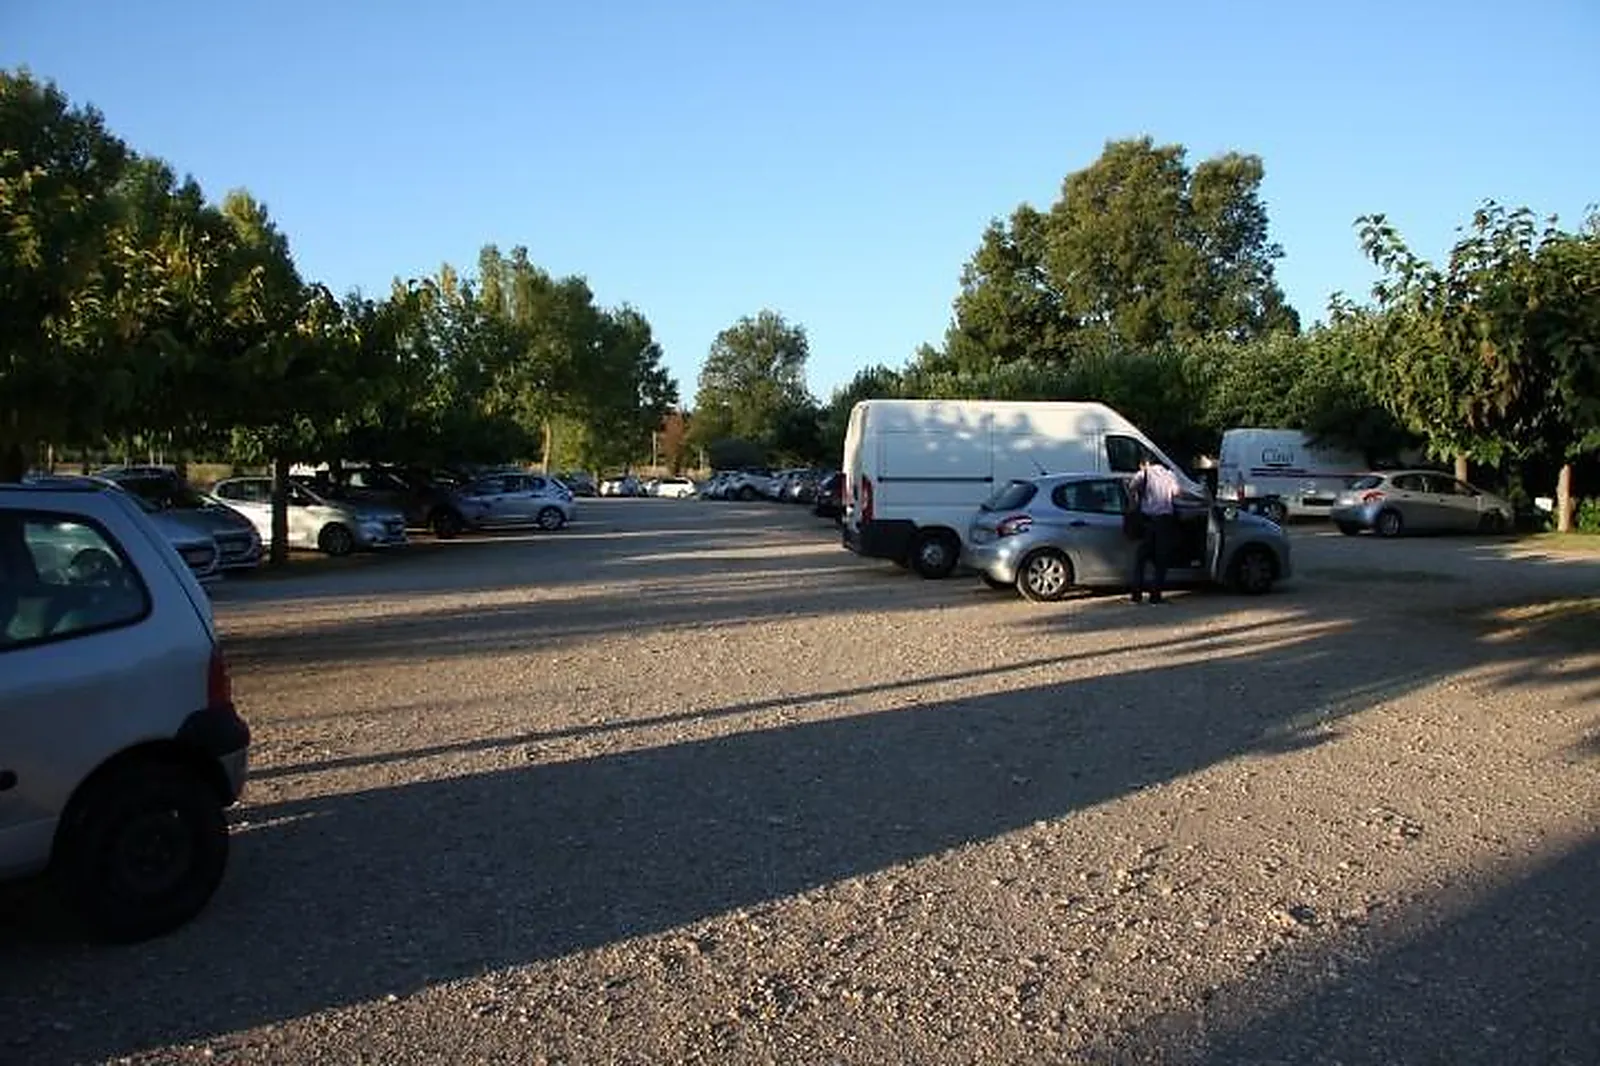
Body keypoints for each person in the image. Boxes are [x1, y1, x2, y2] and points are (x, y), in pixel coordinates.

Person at [1128, 456, 1181, 604]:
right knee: (1161, 560)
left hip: (1147, 521)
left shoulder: (1144, 473)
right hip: (1165, 521)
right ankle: (1155, 596)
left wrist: (1138, 499)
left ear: (1145, 463)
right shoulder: (1170, 474)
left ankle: (1136, 595)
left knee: (1141, 559)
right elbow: (1177, 493)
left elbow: (1131, 487)